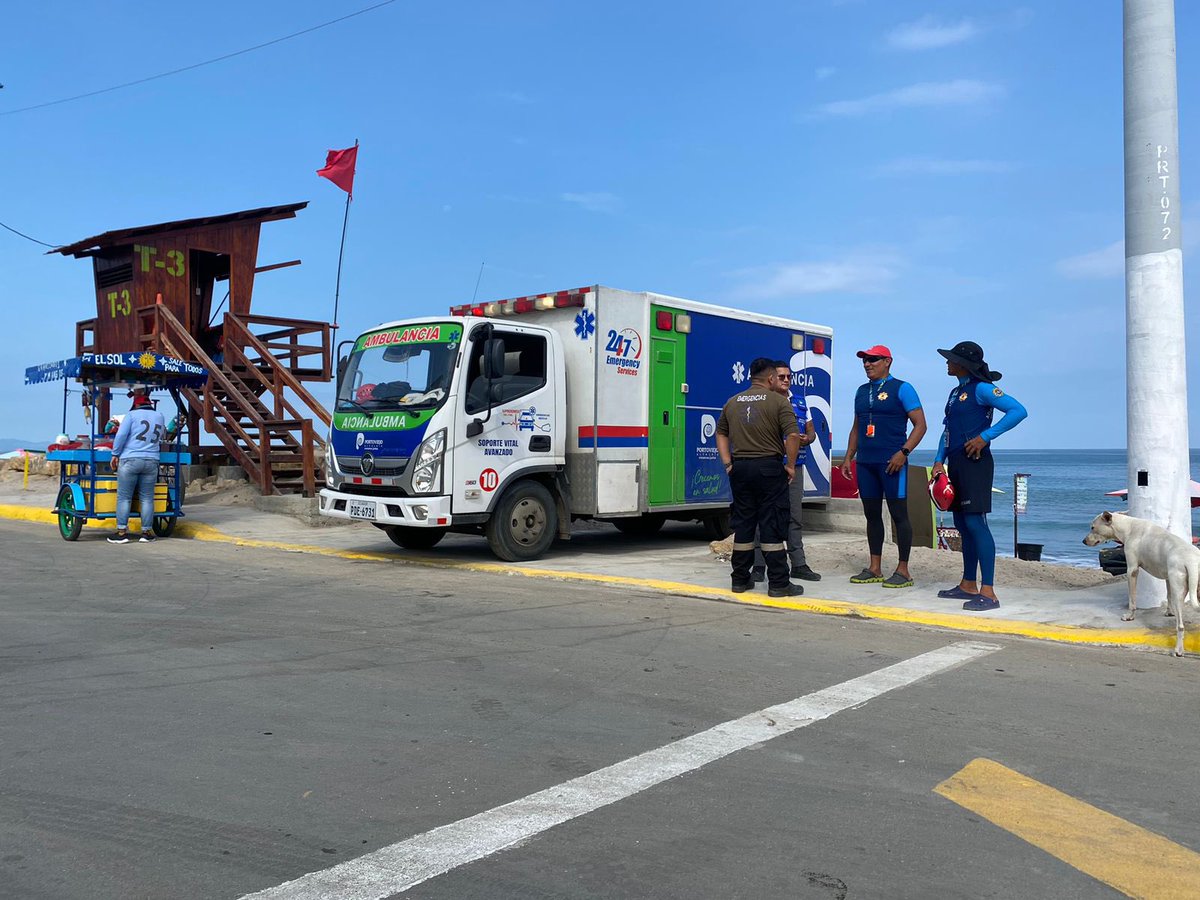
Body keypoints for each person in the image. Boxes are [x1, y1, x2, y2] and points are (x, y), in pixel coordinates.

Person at [931, 341, 1027, 611]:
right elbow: (947, 430)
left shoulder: (983, 389)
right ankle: (968, 584)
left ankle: (989, 592)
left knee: (976, 524)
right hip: (956, 463)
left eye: (951, 359)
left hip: (976, 463)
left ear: (963, 364)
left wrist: (985, 437)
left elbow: (1018, 411)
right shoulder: (954, 392)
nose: (947, 362)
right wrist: (939, 460)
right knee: (962, 525)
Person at [839, 345, 927, 588]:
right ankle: (875, 567)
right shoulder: (860, 391)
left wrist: (904, 452)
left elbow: (920, 425)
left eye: (873, 360)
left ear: (887, 361)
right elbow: (857, 427)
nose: (867, 364)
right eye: (865, 360)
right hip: (866, 463)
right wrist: (848, 457)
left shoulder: (903, 388)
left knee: (899, 514)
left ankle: (903, 570)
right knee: (871, 515)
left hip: (892, 463)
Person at [716, 357, 804, 598]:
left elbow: (721, 433)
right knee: (772, 524)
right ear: (770, 378)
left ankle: (740, 580)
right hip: (768, 467)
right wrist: (791, 466)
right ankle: (778, 583)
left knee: (744, 524)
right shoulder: (779, 401)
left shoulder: (732, 402)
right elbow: (793, 436)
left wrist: (727, 463)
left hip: (740, 469)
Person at [751, 360, 821, 583]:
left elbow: (812, 433)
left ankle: (799, 564)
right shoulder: (765, 401)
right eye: (781, 377)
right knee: (763, 516)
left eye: (789, 377)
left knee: (794, 516)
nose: (786, 380)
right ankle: (759, 566)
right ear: (772, 378)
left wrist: (806, 439)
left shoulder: (800, 402)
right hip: (770, 465)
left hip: (796, 466)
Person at [108, 387, 167, 544]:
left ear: (135, 405)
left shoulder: (131, 415)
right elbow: (163, 435)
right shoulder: (160, 416)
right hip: (152, 461)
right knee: (147, 498)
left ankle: (121, 533)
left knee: (124, 497)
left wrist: (115, 453)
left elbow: (121, 435)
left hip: (130, 460)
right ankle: (146, 533)